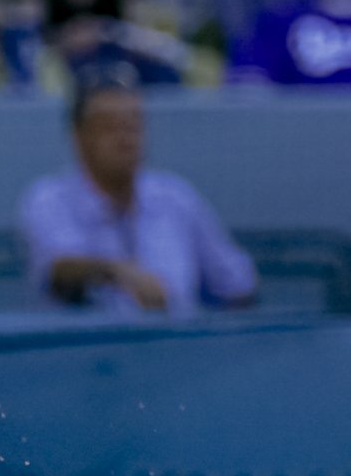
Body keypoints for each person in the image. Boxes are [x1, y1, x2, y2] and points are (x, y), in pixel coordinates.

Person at [18, 83, 257, 316]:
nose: (125, 137)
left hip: (175, 337)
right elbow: (60, 268)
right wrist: (119, 273)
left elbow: (237, 283)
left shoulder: (175, 197)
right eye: (110, 126)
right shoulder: (50, 198)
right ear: (79, 135)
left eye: (133, 125)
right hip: (87, 341)